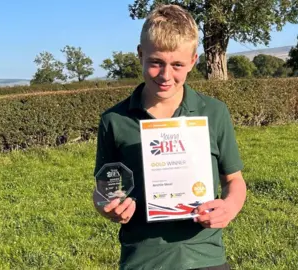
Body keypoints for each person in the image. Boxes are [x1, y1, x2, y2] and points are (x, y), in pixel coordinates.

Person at [93, 4, 247, 270]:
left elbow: (234, 181)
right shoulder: (114, 121)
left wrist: (229, 208)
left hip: (205, 255)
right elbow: (103, 190)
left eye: (177, 65)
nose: (166, 76)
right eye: (156, 62)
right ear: (140, 55)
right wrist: (108, 206)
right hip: (142, 258)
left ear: (193, 61)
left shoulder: (214, 112)